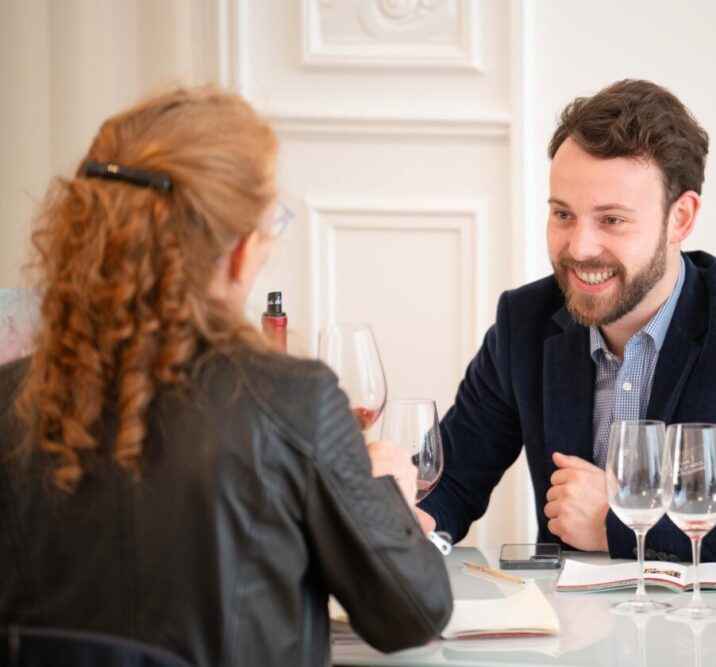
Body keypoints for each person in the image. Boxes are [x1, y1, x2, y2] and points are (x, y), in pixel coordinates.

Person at [0, 86, 452, 666]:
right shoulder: (295, 400)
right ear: (240, 251)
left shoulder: (9, 400)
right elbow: (412, 614)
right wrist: (386, 489)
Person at [419, 79, 716, 565]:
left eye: (612, 220)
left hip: (714, 633)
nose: (578, 248)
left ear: (680, 219)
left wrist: (615, 520)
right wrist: (405, 517)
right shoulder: (524, 324)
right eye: (563, 214)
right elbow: (449, 482)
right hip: (570, 632)